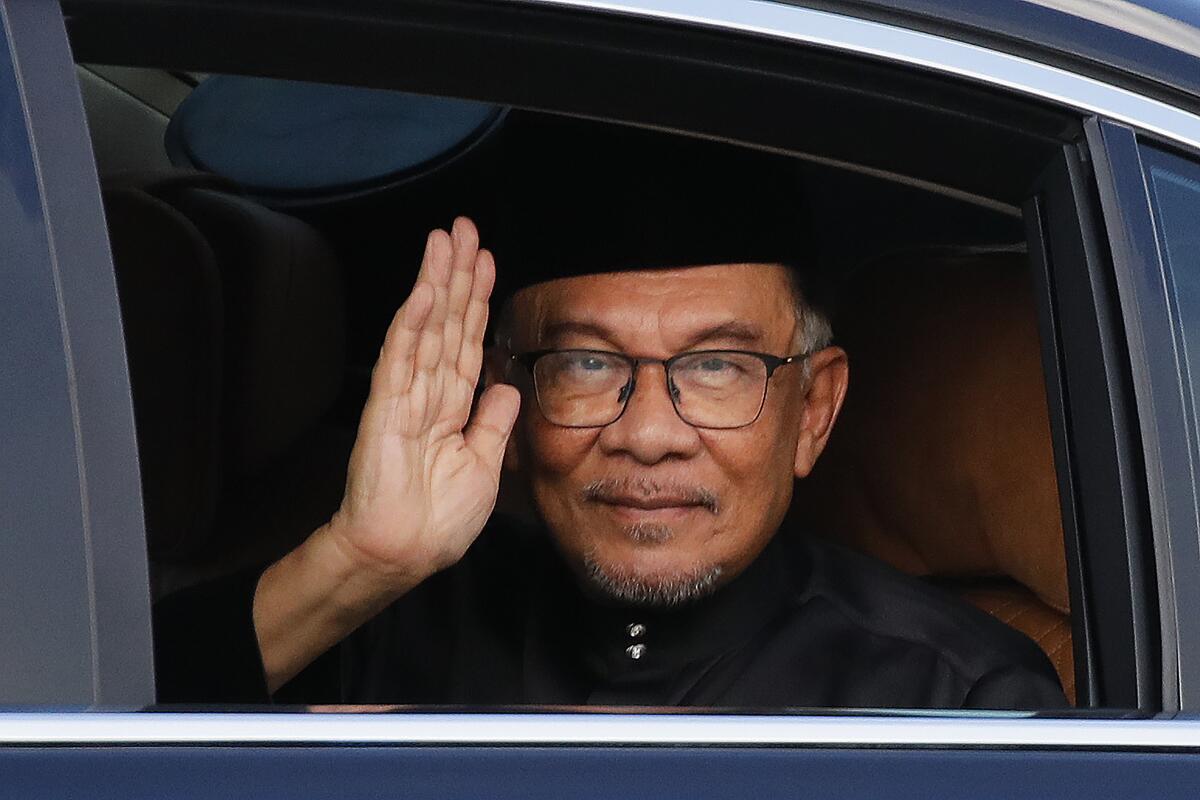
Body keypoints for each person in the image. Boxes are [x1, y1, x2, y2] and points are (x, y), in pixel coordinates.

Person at [155, 119, 1067, 709]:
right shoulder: (381, 619)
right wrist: (356, 563)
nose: (648, 434)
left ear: (815, 411)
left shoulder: (955, 700)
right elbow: (65, 723)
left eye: (717, 367)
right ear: (510, 398)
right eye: (589, 363)